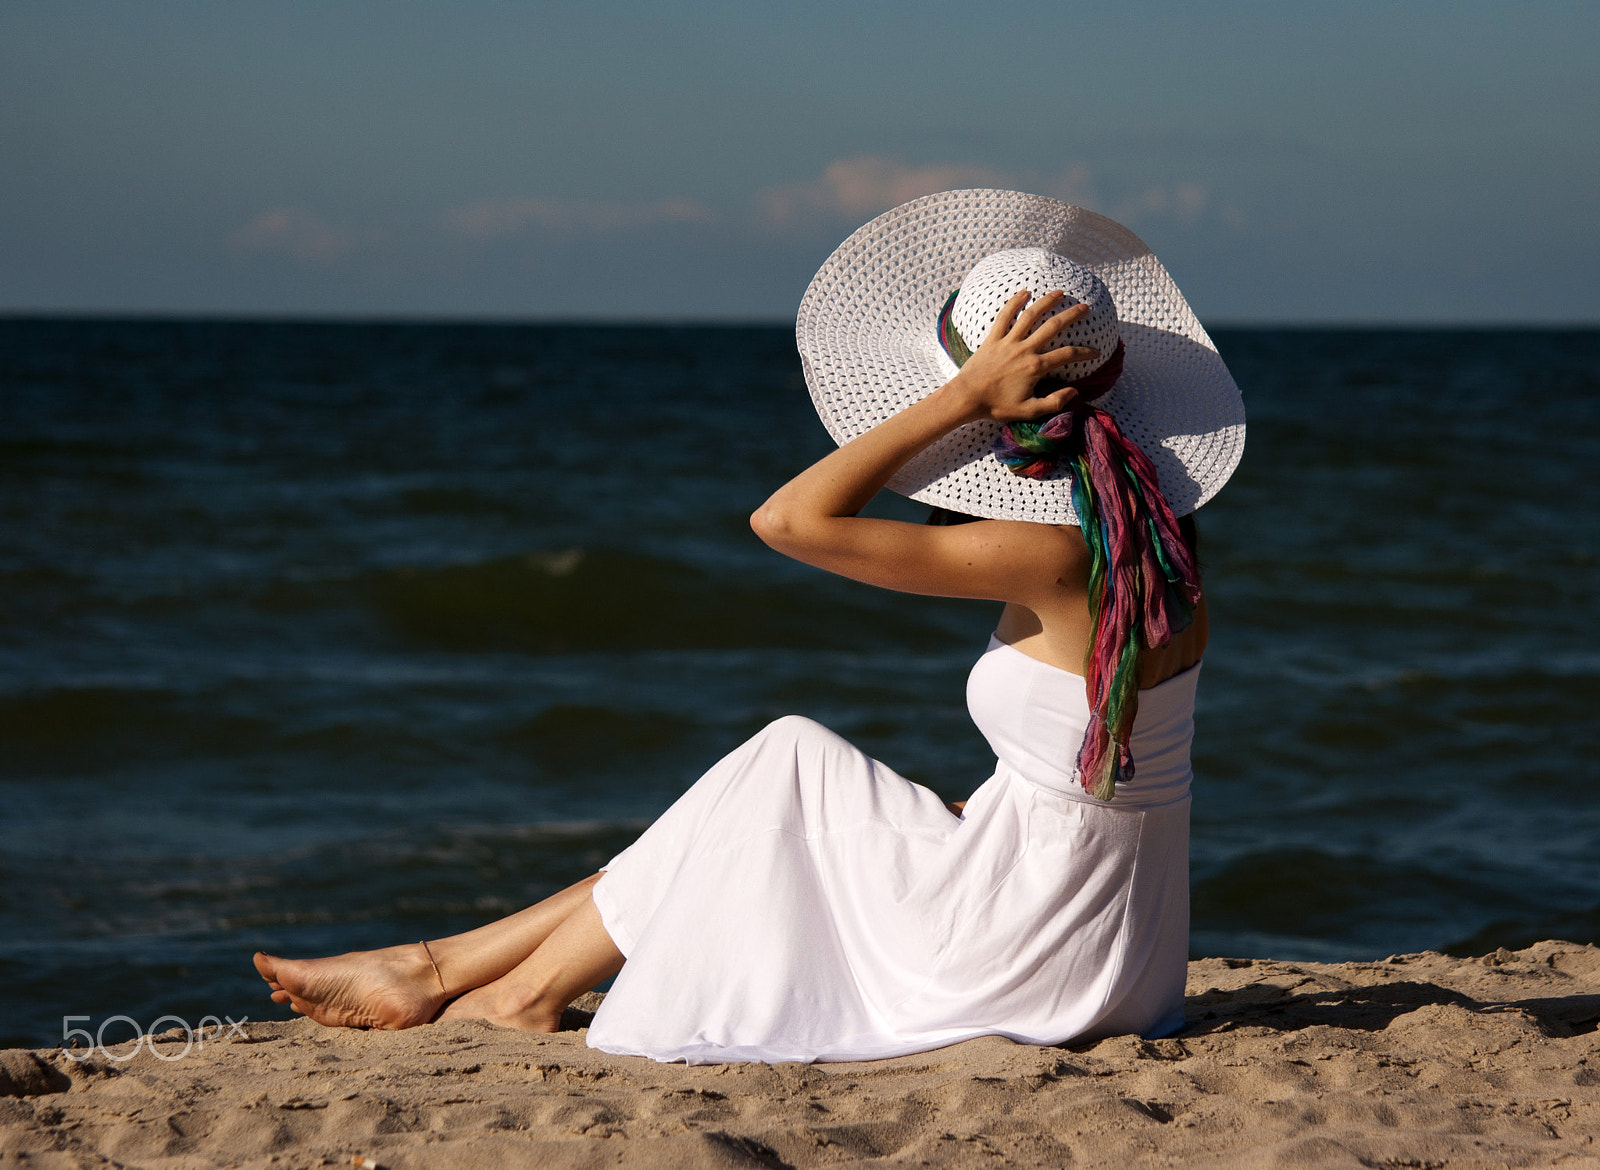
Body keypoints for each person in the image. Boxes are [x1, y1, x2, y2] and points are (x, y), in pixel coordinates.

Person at [253, 189, 1246, 1064]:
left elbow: (787, 522)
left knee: (786, 761)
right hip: (1112, 942)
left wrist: (959, 394)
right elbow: (1088, 789)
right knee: (753, 812)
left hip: (1042, 954)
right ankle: (433, 970)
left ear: (998, 405)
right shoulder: (1151, 543)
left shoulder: (1055, 551)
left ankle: (514, 994)